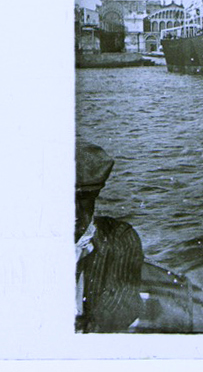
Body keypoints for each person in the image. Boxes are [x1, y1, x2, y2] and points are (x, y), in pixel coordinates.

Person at [75, 140, 144, 332]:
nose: (73, 210)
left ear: (95, 197)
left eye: (83, 199)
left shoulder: (118, 238)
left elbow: (122, 305)